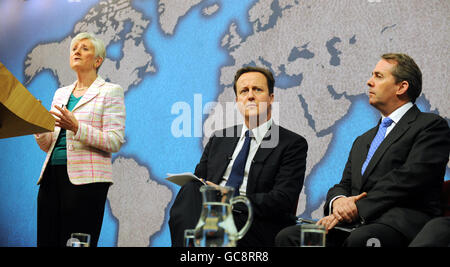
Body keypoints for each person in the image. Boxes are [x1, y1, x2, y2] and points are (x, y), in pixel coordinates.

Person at [276, 53, 450, 247]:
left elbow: (409, 179)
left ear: (402, 87)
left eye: (378, 76)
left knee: (362, 240)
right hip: (355, 224)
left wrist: (357, 207)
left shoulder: (430, 126)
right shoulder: (363, 139)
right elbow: (345, 183)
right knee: (290, 237)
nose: (369, 82)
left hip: (399, 225)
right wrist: (339, 202)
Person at [169, 66, 308, 247]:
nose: (250, 96)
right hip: (211, 216)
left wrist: (229, 198)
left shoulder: (291, 143)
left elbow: (282, 199)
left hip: (254, 223)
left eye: (257, 90)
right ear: (237, 101)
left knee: (208, 226)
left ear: (271, 98)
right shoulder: (219, 139)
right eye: (244, 91)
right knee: (190, 189)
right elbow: (199, 181)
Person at [34, 32, 126, 247]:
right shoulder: (60, 94)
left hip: (87, 181)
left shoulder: (110, 91)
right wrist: (38, 124)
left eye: (85, 48)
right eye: (74, 47)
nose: (76, 50)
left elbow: (114, 140)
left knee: (77, 242)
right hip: (51, 176)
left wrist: (77, 127)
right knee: (46, 241)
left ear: (98, 61)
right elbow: (48, 144)